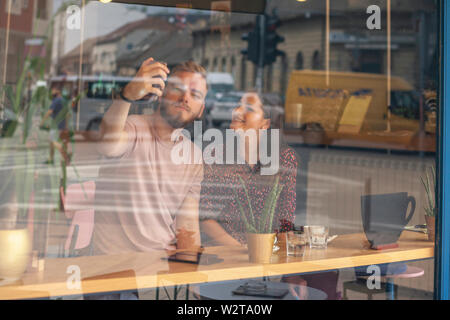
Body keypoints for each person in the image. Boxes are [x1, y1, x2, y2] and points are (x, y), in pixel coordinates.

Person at [93, 59, 207, 256]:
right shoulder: (134, 127)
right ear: (161, 94)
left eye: (194, 94)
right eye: (178, 88)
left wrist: (191, 278)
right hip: (113, 270)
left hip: (159, 268)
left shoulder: (193, 157)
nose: (185, 98)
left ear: (201, 111)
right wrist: (126, 96)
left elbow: (187, 226)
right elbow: (108, 144)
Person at [41, 87, 67, 164]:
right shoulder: (64, 100)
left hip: (56, 125)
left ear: (58, 91)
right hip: (61, 124)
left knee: (53, 141)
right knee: (51, 142)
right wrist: (65, 125)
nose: (52, 92)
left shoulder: (56, 100)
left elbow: (50, 112)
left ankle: (65, 155)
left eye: (53, 90)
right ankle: (51, 159)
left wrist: (42, 122)